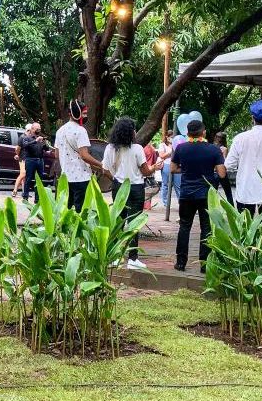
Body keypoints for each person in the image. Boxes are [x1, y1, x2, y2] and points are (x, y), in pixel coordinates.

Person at [102, 117, 162, 270]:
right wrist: (155, 167)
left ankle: (114, 257)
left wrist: (115, 179)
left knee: (118, 222)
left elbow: (104, 170)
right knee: (134, 223)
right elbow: (145, 171)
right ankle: (133, 258)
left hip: (119, 187)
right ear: (130, 132)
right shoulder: (136, 149)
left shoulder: (110, 148)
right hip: (135, 188)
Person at [171, 119, 226, 272]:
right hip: (206, 194)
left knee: (184, 227)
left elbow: (173, 169)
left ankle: (181, 262)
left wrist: (187, 170)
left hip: (187, 193)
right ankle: (204, 264)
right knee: (206, 228)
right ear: (204, 132)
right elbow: (222, 173)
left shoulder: (181, 148)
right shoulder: (214, 150)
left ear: (187, 133)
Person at [54, 99, 103, 210]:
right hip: (81, 178)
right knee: (81, 212)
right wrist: (100, 165)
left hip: (66, 178)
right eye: (84, 113)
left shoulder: (60, 131)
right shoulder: (80, 131)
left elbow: (56, 154)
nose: (85, 116)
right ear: (76, 114)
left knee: (68, 211)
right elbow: (84, 155)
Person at [21, 123, 50, 203]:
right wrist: (35, 141)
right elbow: (25, 145)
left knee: (39, 180)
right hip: (30, 160)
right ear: (32, 129)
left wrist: (45, 143)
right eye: (37, 129)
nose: (38, 130)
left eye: (39, 129)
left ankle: (37, 199)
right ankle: (25, 197)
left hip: (40, 160)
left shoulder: (40, 138)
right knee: (28, 178)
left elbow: (46, 149)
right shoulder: (27, 137)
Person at [11, 123, 32, 197]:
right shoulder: (22, 137)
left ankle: (24, 192)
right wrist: (18, 154)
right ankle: (15, 190)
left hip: (27, 158)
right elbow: (17, 148)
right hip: (23, 158)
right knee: (23, 174)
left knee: (25, 176)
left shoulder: (29, 137)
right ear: (29, 130)